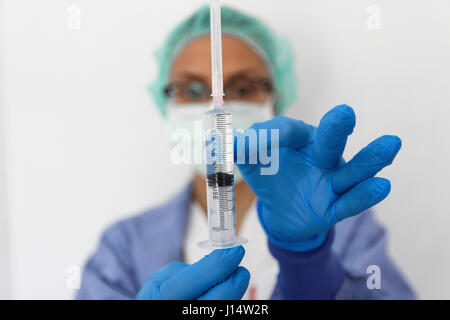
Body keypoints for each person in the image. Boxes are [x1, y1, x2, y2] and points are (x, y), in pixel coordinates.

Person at [76, 5, 415, 300]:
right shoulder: (124, 246)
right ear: (166, 102)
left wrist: (309, 261)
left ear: (275, 99)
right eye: (192, 90)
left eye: (243, 88)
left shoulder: (341, 222)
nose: (214, 103)